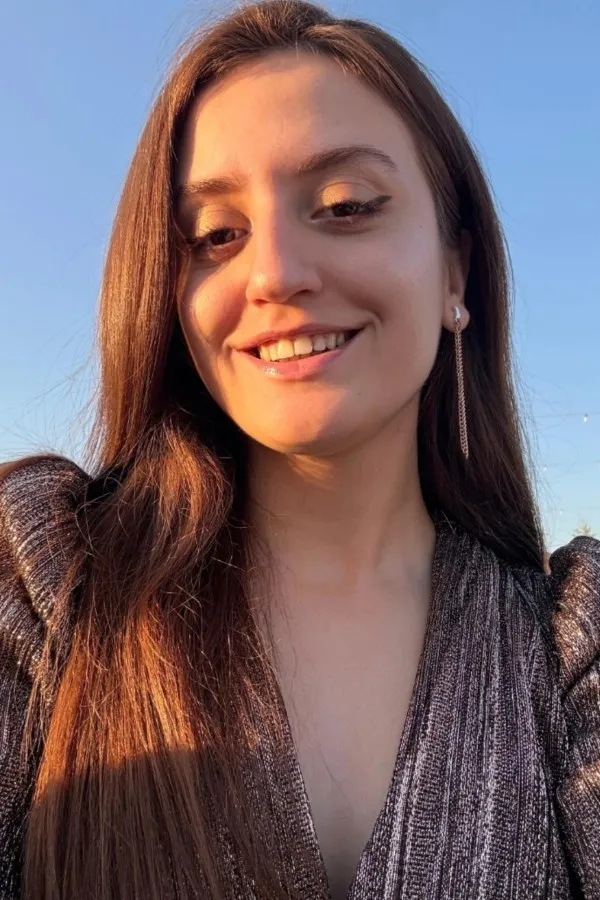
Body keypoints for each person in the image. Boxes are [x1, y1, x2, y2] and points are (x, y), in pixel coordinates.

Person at [1, 1, 598, 898]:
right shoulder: (45, 584)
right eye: (216, 235)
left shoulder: (570, 647)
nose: (275, 272)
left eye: (346, 206)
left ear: (456, 270)